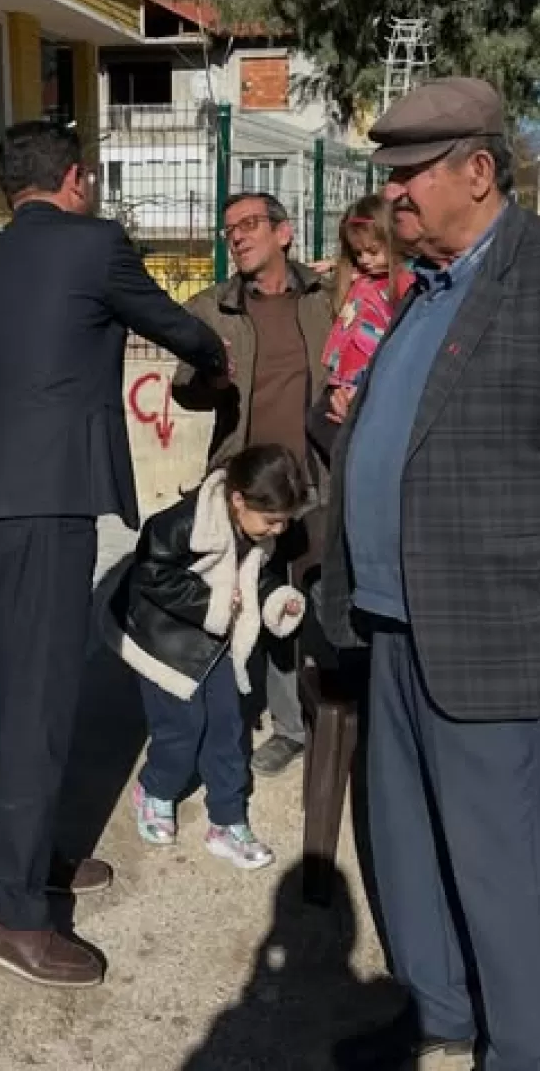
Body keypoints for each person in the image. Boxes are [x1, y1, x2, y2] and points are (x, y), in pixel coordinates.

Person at [320, 77, 540, 1071]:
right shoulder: (422, 289)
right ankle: (443, 1012)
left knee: (505, 871)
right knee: (408, 847)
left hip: (498, 633)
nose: (393, 197)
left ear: (477, 172)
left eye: (409, 178)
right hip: (392, 628)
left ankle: (526, 1050)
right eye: (387, 179)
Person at [0, 120, 227, 989]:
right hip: (46, 504)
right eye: (89, 176)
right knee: (41, 699)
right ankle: (10, 912)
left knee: (28, 689)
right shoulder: (95, 245)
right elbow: (179, 328)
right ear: (74, 179)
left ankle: (38, 853)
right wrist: (215, 361)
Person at [172, 192, 334, 778]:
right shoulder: (211, 308)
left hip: (318, 479)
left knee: (316, 605)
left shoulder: (328, 297)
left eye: (249, 225)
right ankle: (275, 727)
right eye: (229, 229)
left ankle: (339, 714)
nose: (237, 236)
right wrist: (210, 381)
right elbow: (183, 389)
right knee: (245, 604)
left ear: (284, 233)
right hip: (245, 488)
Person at [106, 444, 307, 871]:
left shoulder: (255, 530)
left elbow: (259, 576)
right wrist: (212, 601)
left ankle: (227, 819)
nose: (277, 530)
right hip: (165, 641)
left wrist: (277, 601)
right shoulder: (184, 522)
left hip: (216, 641)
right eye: (271, 520)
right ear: (238, 500)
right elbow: (152, 574)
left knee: (227, 726)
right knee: (181, 726)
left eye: (284, 522)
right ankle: (155, 789)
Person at [308, 194, 413, 458]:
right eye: (358, 253)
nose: (365, 259)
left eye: (373, 251)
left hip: (371, 376)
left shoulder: (402, 280)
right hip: (346, 373)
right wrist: (334, 264)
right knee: (318, 422)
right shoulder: (361, 276)